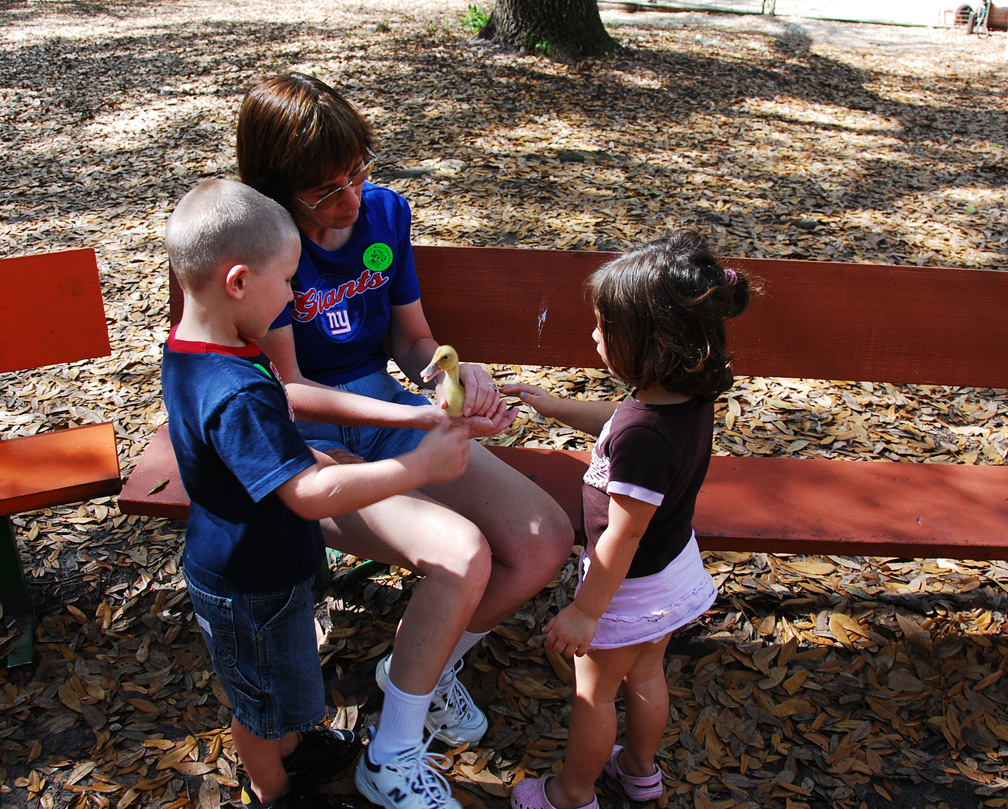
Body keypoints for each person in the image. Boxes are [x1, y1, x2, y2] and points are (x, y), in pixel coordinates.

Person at [236, 72, 575, 809]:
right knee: (464, 554)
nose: (350, 200)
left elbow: (413, 339)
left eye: (357, 172)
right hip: (308, 446)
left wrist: (454, 379)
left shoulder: (384, 214)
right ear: (275, 188)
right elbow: (289, 390)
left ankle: (419, 670)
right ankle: (391, 753)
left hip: (388, 413)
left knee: (545, 538)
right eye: (325, 190)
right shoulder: (264, 244)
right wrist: (418, 422)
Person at [161, 179, 473, 809]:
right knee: (260, 706)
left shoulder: (206, 350)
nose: (290, 299)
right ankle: (276, 788)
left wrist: (410, 419)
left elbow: (286, 400)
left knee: (280, 680)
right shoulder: (235, 390)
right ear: (239, 282)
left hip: (262, 564)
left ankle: (296, 751)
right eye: (286, 284)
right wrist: (419, 469)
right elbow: (308, 492)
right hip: (247, 578)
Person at [501, 231, 753, 809]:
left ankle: (571, 793)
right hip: (669, 569)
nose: (593, 335)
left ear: (653, 342)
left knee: (594, 694)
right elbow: (618, 424)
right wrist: (551, 405)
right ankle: (640, 772)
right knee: (644, 675)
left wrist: (586, 610)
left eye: (603, 327)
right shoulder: (678, 400)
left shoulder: (644, 434)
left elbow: (624, 530)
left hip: (625, 587)